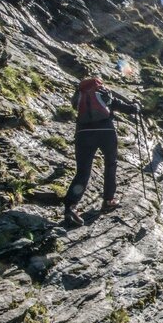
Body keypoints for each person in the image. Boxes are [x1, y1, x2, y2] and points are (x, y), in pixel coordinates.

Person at [63, 77, 140, 227]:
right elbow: (129, 109)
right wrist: (136, 105)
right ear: (99, 85)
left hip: (83, 133)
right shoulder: (104, 93)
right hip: (106, 133)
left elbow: (76, 109)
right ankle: (108, 200)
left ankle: (70, 207)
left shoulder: (79, 96)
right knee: (111, 164)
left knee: (83, 171)